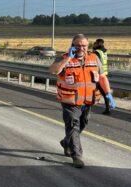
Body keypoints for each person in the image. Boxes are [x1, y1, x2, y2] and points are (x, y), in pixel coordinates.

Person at [48, 34, 115, 168]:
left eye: (84, 45)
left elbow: (102, 77)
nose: (81, 48)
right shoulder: (64, 58)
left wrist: (108, 94)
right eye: (78, 45)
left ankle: (66, 142)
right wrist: (68, 58)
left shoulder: (94, 58)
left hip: (87, 100)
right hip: (70, 101)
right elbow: (53, 71)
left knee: (83, 123)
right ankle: (76, 156)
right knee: (73, 126)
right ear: (72, 45)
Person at [92, 38, 111, 114]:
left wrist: (93, 50)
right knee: (104, 92)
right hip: (104, 74)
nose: (94, 44)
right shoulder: (105, 51)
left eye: (95, 43)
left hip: (98, 74)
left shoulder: (97, 52)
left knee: (90, 89)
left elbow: (95, 62)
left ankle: (86, 106)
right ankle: (108, 108)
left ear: (99, 43)